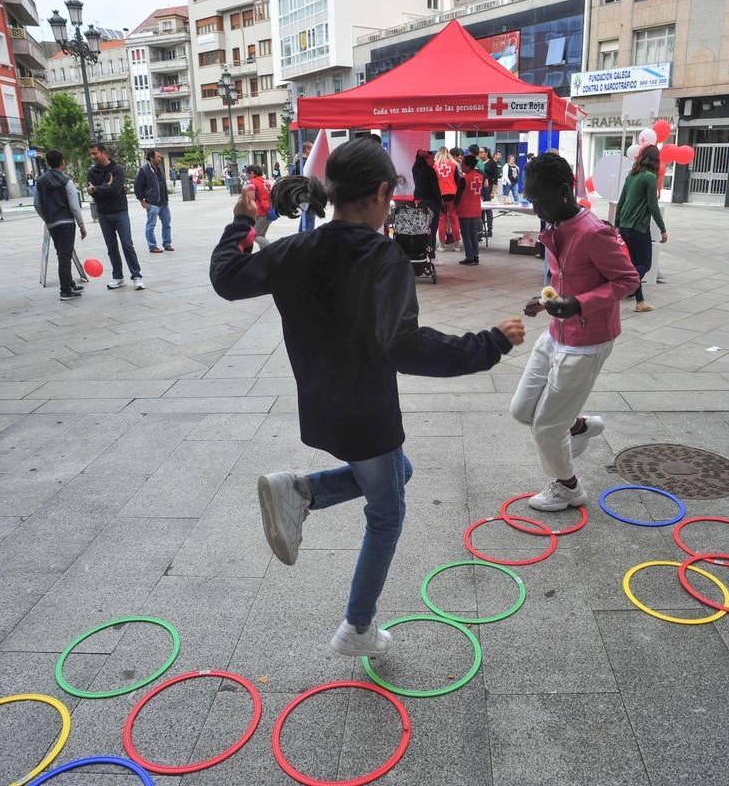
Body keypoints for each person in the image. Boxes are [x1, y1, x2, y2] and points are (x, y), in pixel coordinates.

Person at [209, 137, 525, 657]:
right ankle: (357, 627)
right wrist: (487, 344)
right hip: (368, 414)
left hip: (321, 404)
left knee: (399, 472)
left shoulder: (296, 248)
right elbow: (402, 345)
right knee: (387, 514)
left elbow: (226, 278)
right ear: (381, 193)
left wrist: (245, 221)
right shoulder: (383, 256)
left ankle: (303, 492)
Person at [511, 153, 639, 511]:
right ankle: (579, 426)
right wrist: (544, 300)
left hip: (587, 342)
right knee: (522, 410)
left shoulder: (594, 231)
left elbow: (628, 279)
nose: (535, 208)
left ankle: (569, 488)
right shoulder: (554, 225)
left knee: (547, 428)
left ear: (565, 192)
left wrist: (580, 303)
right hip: (555, 333)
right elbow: (562, 279)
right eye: (530, 200)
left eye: (539, 200)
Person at [613, 144, 666, 313]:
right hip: (639, 228)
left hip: (625, 226)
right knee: (645, 264)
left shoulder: (631, 175)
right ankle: (635, 296)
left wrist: (617, 224)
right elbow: (653, 205)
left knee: (633, 264)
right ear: (656, 160)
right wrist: (663, 228)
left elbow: (621, 202)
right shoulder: (649, 177)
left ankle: (635, 294)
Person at [88, 141, 144, 290]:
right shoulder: (92, 172)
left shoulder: (117, 169)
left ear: (104, 152)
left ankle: (137, 276)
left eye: (95, 153)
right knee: (111, 247)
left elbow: (115, 190)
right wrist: (105, 187)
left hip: (120, 211)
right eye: (91, 154)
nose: (93, 156)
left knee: (127, 245)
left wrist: (98, 189)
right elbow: (95, 193)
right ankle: (118, 277)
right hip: (103, 213)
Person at [33, 149, 87, 302]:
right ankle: (65, 291)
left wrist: (47, 218)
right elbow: (74, 206)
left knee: (63, 253)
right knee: (65, 255)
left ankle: (70, 283)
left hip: (53, 224)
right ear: (62, 161)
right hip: (66, 222)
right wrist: (81, 225)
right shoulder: (66, 180)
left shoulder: (41, 181)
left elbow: (36, 204)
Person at [135, 148, 173, 253]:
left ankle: (167, 243)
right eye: (158, 157)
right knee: (151, 225)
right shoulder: (144, 170)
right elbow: (137, 186)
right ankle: (152, 246)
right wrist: (141, 200)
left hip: (163, 202)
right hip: (152, 203)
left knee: (167, 224)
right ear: (151, 158)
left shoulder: (159, 168)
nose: (160, 158)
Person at [412, 149, 443, 258]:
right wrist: (441, 204)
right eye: (432, 159)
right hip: (431, 203)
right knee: (432, 231)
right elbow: (436, 190)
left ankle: (421, 253)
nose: (434, 161)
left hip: (419, 202)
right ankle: (431, 254)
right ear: (425, 159)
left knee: (421, 230)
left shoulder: (415, 169)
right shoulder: (430, 171)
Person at [455, 153, 484, 265]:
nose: (461, 166)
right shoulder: (480, 176)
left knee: (466, 235)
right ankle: (475, 256)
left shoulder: (464, 179)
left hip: (465, 210)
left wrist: (454, 206)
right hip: (476, 209)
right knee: (473, 234)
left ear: (468, 166)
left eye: (462, 164)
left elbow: (458, 196)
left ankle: (469, 257)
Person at [434, 147, 460, 252]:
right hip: (452, 194)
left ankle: (442, 245)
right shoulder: (454, 165)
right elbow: (458, 181)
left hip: (440, 195)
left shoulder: (435, 166)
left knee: (441, 219)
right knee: (454, 218)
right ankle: (457, 245)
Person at [291, 141, 316, 232]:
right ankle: (307, 240)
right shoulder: (305, 163)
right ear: (307, 149)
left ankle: (301, 238)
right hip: (306, 195)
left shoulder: (298, 162)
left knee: (306, 217)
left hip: (301, 195)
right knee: (309, 217)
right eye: (312, 149)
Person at [245, 164, 272, 247]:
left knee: (255, 236)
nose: (247, 176)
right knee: (261, 235)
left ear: (252, 173)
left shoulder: (253, 182)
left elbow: (250, 198)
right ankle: (264, 256)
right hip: (270, 211)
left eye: (247, 174)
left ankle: (273, 249)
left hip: (262, 213)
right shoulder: (265, 181)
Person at [481, 149, 501, 237]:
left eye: (482, 152)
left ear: (486, 153)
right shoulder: (478, 162)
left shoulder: (492, 163)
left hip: (488, 188)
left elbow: (495, 178)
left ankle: (489, 229)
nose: (480, 153)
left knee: (488, 209)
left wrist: (493, 191)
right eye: (479, 152)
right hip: (478, 187)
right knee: (480, 209)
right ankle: (481, 229)